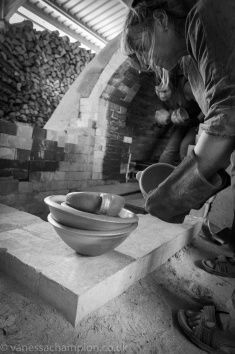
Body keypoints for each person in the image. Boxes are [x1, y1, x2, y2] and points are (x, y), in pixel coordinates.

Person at [122, 0, 235, 352]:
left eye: (145, 48)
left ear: (160, 19)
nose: (149, 63)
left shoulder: (206, 12)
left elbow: (228, 115)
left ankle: (230, 337)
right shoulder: (188, 56)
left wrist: (172, 197)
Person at [154, 68, 202, 165]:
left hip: (198, 122)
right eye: (158, 92)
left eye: (164, 91)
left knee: (185, 148)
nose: (161, 96)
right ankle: (159, 175)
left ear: (172, 86)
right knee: (169, 151)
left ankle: (187, 177)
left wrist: (197, 121)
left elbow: (207, 103)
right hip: (182, 125)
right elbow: (168, 113)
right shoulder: (164, 98)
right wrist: (164, 119)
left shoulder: (185, 88)